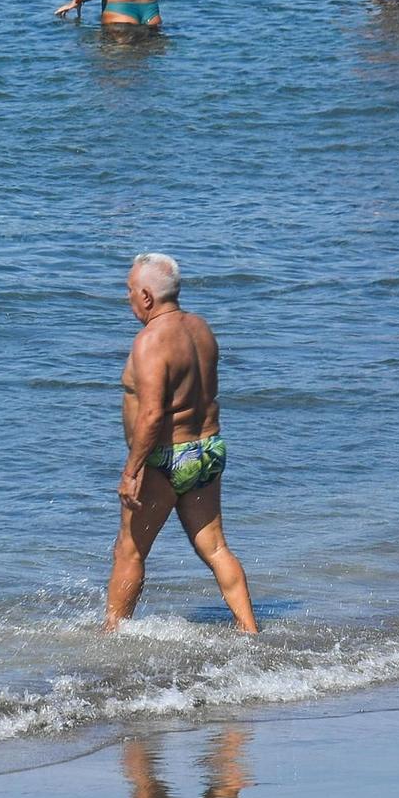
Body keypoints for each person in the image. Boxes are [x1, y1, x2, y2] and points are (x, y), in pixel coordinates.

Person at [108, 254, 257, 634]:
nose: (127, 299)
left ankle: (113, 634)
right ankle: (250, 629)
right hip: (207, 449)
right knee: (215, 547)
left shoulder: (150, 341)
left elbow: (153, 414)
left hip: (165, 458)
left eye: (128, 292)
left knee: (130, 549)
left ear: (146, 296)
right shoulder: (201, 329)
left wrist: (132, 470)